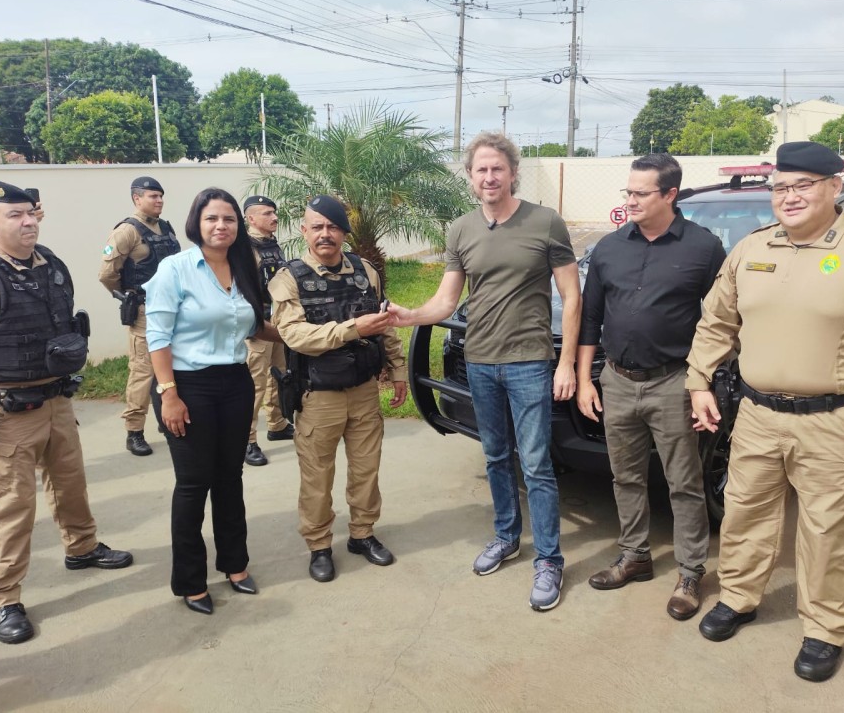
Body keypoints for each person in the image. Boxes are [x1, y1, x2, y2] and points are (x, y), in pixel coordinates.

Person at [687, 142, 844, 682]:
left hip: (835, 420)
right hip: (756, 414)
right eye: (781, 187)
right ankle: (739, 596)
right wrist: (699, 382)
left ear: (835, 187)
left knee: (829, 529)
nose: (790, 196)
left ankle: (825, 627)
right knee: (744, 512)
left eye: (803, 185)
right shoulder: (752, 249)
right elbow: (716, 322)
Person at [388, 132, 581, 612]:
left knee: (536, 463)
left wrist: (567, 364)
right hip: (480, 362)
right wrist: (410, 315)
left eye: (497, 168)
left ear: (512, 172)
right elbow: (447, 300)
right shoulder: (461, 230)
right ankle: (506, 537)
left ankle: (550, 559)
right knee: (496, 456)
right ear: (471, 177)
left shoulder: (546, 222)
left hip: (529, 362)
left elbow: (573, 297)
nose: (489, 177)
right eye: (481, 170)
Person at [0, 180, 133, 645]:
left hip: (56, 401)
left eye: (31, 212)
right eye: (15, 215)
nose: (28, 221)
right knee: (13, 507)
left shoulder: (50, 264)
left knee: (71, 482)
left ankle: (83, 547)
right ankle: (3, 597)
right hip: (7, 411)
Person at [577, 153, 725, 620]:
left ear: (670, 195)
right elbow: (590, 318)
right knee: (626, 477)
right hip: (616, 381)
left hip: (674, 383)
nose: (631, 201)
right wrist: (585, 379)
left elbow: (721, 320)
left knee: (684, 482)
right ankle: (635, 555)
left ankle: (690, 571)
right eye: (629, 192)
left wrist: (704, 381)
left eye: (641, 193)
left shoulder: (704, 248)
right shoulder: (608, 248)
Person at [146, 187, 279, 615]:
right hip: (185, 385)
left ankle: (235, 565)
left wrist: (316, 333)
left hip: (235, 382)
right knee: (193, 483)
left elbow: (257, 327)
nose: (221, 226)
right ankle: (189, 581)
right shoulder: (176, 269)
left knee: (230, 477)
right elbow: (158, 337)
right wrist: (169, 396)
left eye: (229, 219)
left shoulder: (244, 266)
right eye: (212, 219)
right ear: (196, 224)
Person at [268, 195, 407, 583]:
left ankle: (362, 534)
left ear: (344, 232)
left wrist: (398, 371)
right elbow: (294, 335)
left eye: (332, 227)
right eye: (317, 227)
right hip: (318, 395)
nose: (325, 234)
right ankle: (319, 545)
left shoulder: (366, 271)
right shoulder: (288, 279)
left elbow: (384, 324)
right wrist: (352, 329)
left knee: (366, 469)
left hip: (363, 390)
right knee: (317, 476)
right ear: (304, 230)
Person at [99, 176, 180, 457]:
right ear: (137, 199)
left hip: (172, 309)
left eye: (161, 196)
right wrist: (127, 297)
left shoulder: (165, 228)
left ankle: (166, 421)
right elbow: (107, 274)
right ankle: (134, 431)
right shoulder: (126, 231)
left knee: (169, 368)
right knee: (143, 372)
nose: (159, 201)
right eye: (152, 196)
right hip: (144, 312)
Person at [242, 194, 294, 467]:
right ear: (251, 218)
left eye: (274, 213)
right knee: (255, 383)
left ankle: (277, 424)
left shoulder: (271, 245)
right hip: (257, 326)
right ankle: (247, 440)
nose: (274, 217)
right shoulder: (243, 248)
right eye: (266, 213)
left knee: (279, 375)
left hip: (278, 321)